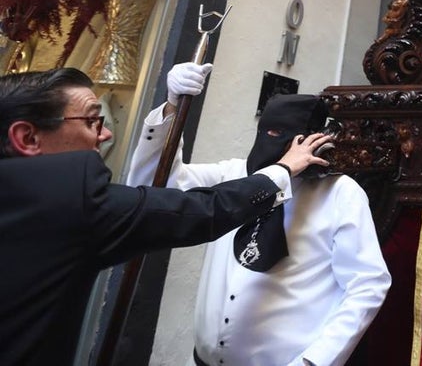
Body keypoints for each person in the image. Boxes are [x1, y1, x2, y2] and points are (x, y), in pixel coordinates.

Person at [0, 67, 330, 365]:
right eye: (91, 121)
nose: (106, 134)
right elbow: (185, 202)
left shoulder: (338, 194)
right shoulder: (75, 198)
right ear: (27, 138)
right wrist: (281, 171)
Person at [127, 63, 390, 366]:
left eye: (281, 135)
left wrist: (315, 361)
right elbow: (151, 190)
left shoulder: (340, 194)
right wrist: (171, 106)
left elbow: (367, 284)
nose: (269, 140)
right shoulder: (234, 176)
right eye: (266, 132)